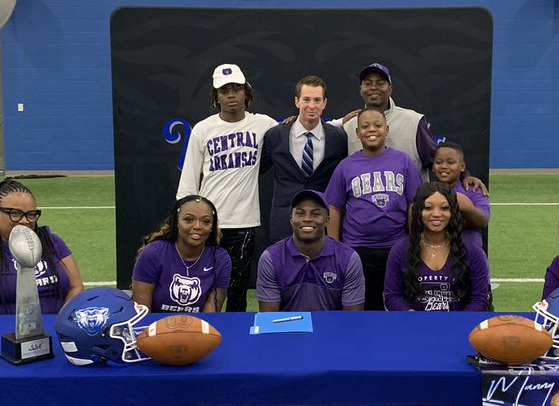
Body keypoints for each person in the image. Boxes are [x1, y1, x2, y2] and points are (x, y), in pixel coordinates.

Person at [177, 63, 276, 311]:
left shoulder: (263, 124)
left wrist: (341, 122)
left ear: (246, 92)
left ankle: (236, 336)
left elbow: (299, 131)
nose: (231, 94)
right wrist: (182, 219)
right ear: (216, 96)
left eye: (236, 88)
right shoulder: (203, 129)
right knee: (202, 284)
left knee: (237, 287)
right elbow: (189, 179)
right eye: (224, 90)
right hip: (208, 222)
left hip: (243, 221)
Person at [325, 108, 422, 310]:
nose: (372, 130)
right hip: (357, 248)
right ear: (357, 132)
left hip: (396, 246)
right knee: (364, 305)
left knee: (398, 302)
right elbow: (333, 207)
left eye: (378, 125)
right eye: (365, 126)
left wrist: (414, 241)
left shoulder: (403, 161)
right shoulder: (346, 166)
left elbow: (414, 203)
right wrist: (334, 246)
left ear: (387, 130)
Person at [0, 178, 83, 317]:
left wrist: (63, 320)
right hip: (1, 334)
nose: (25, 221)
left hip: (55, 330)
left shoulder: (52, 241)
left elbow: (75, 287)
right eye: (15, 213)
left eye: (31, 214)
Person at [260, 75, 349, 244]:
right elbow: (256, 169)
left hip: (322, 221)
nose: (312, 106)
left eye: (317, 100)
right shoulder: (275, 135)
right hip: (283, 222)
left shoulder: (338, 137)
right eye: (306, 99)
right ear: (297, 101)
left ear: (324, 103)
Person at [384, 181, 490, 311]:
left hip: (458, 327)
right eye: (428, 208)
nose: (436, 214)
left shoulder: (472, 251)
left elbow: (480, 299)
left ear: (453, 212)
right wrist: (413, 318)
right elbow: (392, 296)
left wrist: (457, 322)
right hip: (414, 326)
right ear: (418, 211)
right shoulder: (400, 250)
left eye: (444, 208)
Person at [257, 189, 365, 312]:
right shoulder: (271, 258)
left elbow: (352, 318)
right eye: (300, 213)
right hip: (287, 330)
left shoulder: (348, 258)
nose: (307, 219)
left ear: (327, 220)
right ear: (291, 219)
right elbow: (269, 318)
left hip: (333, 329)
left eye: (316, 214)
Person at [132, 195, 231, 313]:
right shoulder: (153, 253)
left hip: (197, 327)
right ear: (176, 222)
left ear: (212, 227)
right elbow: (142, 313)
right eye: (189, 220)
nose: (197, 226)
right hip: (155, 327)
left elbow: (210, 314)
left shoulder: (220, 259)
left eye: (206, 221)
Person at [340, 62, 439, 174]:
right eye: (368, 83)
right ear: (360, 90)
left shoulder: (413, 121)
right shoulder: (349, 127)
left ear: (390, 89)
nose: (373, 87)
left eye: (380, 83)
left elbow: (439, 162)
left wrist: (463, 177)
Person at [431, 141, 489, 248]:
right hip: (436, 252)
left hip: (468, 250)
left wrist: (466, 208)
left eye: (450, 162)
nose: (443, 166)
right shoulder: (427, 191)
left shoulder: (473, 189)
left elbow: (483, 221)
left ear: (462, 166)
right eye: (438, 162)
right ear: (433, 166)